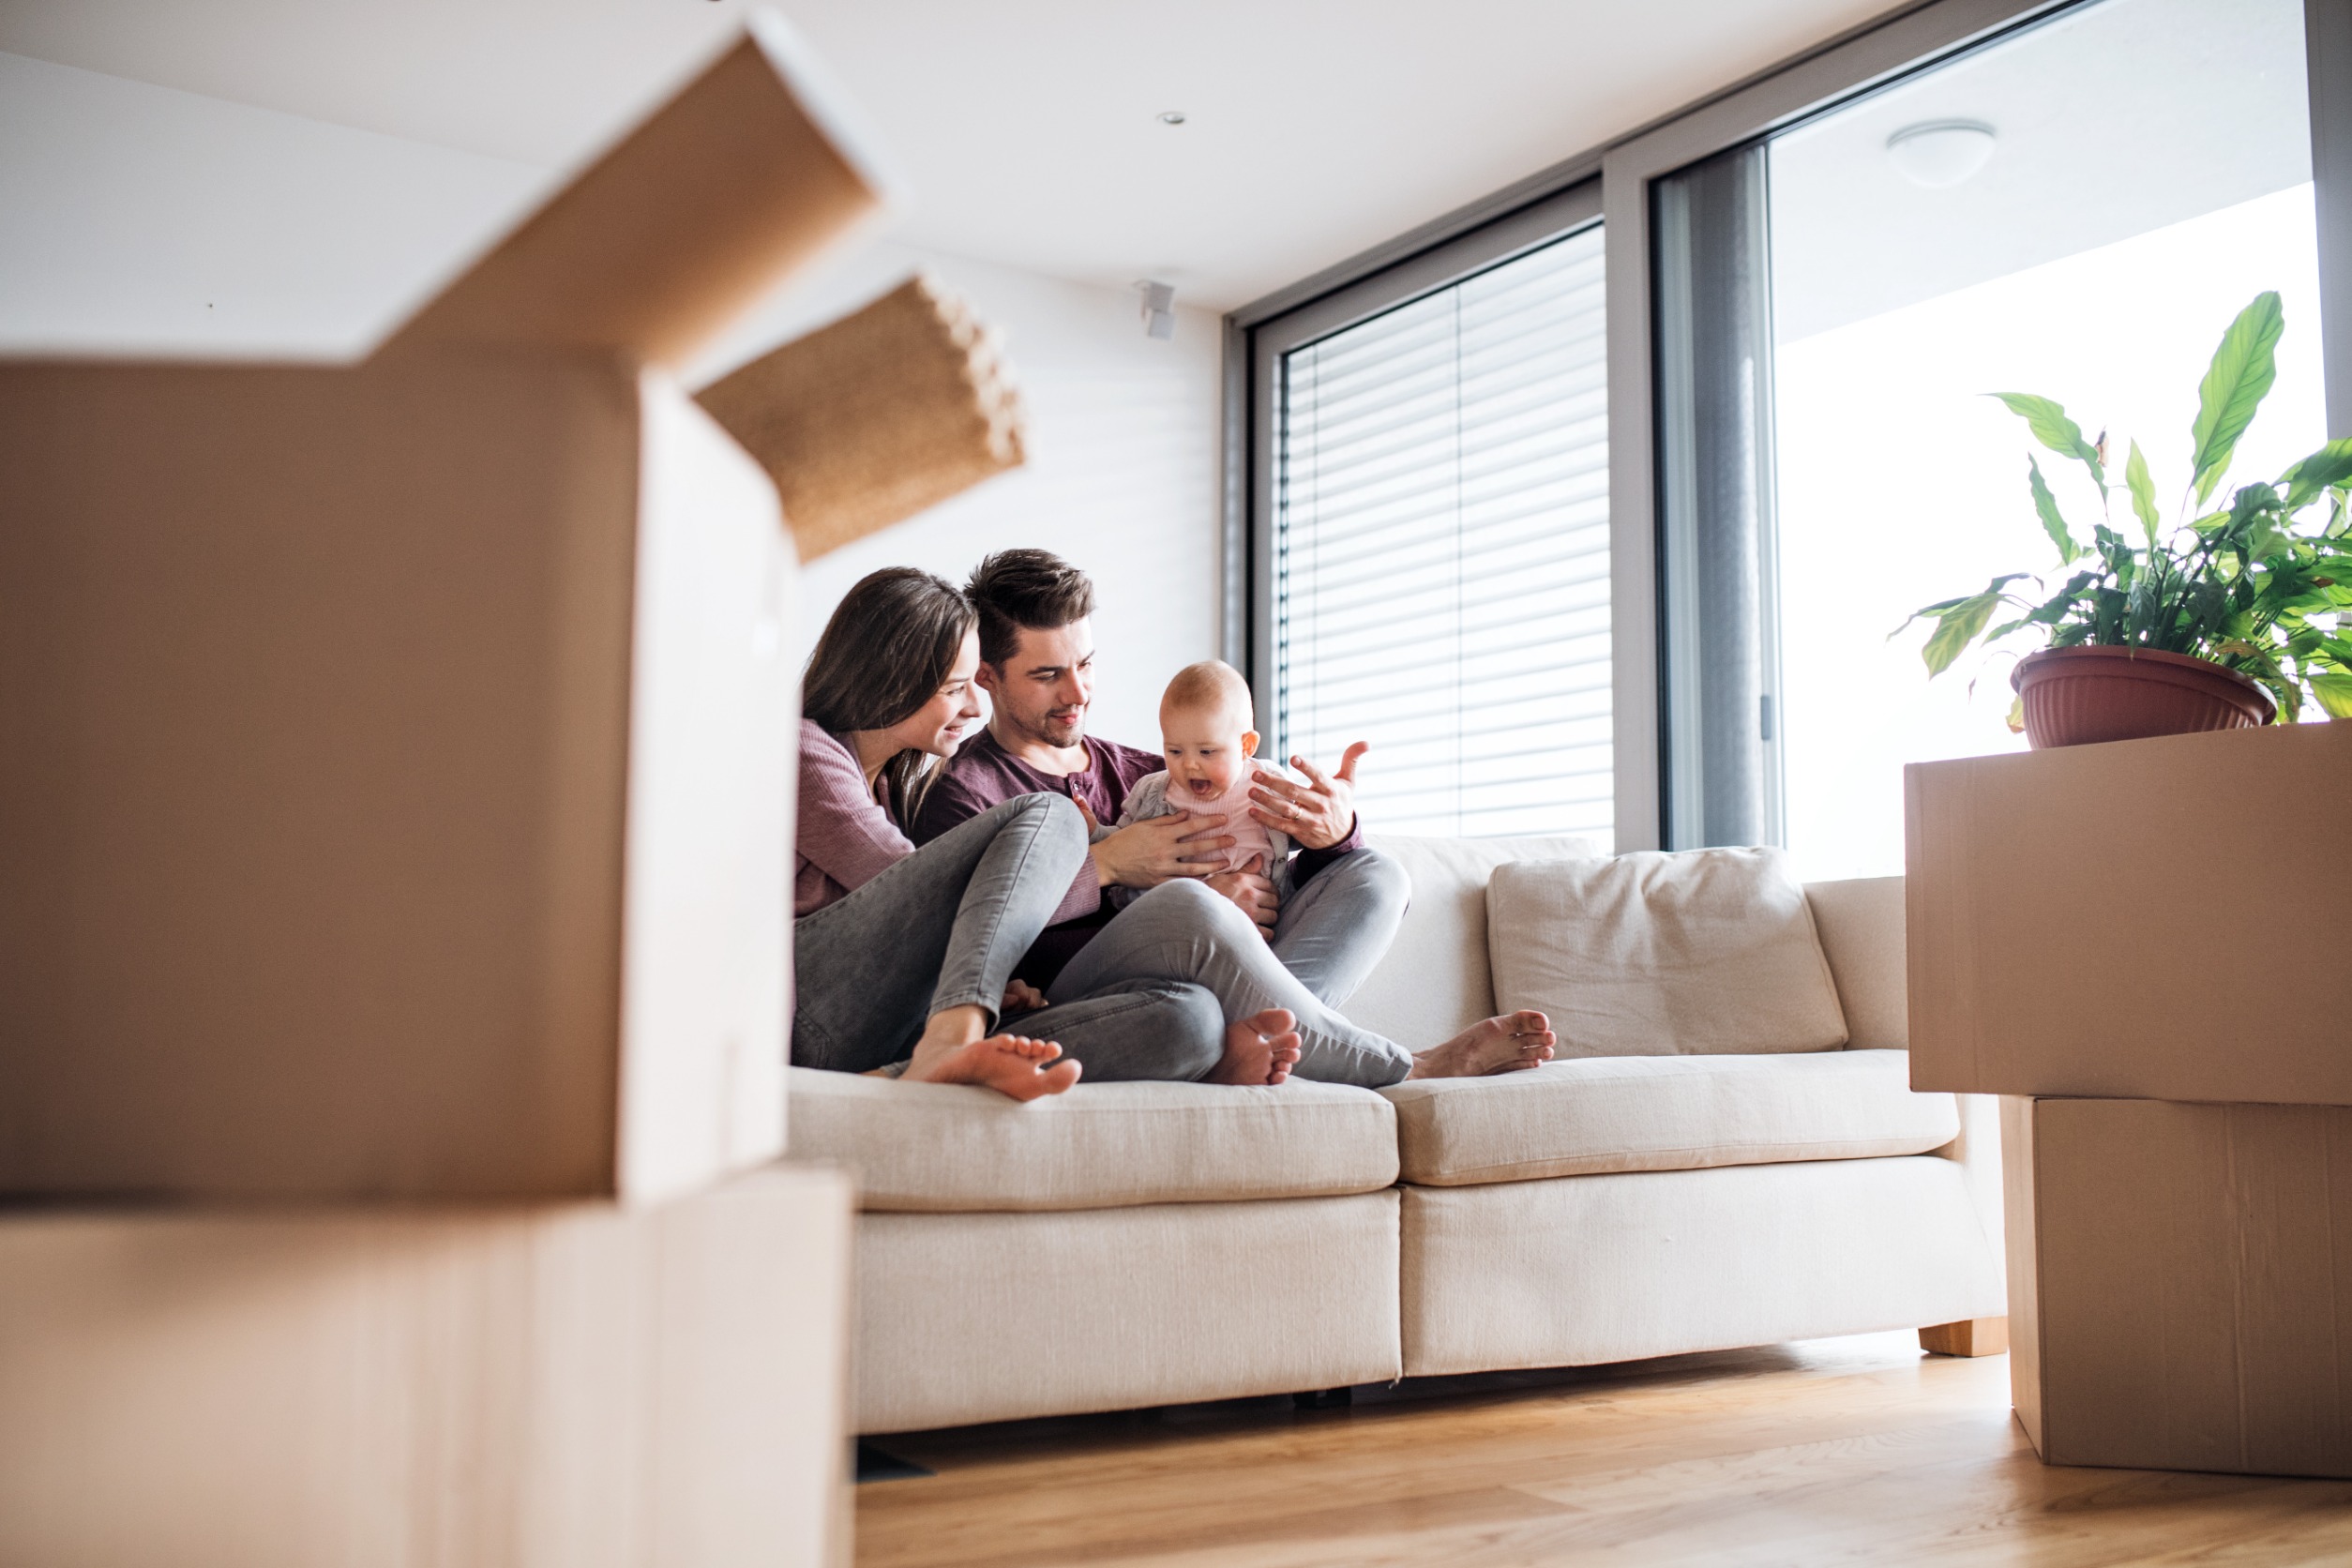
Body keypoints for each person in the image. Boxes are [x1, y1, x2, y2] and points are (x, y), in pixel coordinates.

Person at [912, 550, 1556, 1088]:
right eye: (1049, 674)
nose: (1079, 693)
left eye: (1085, 665)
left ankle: (1258, 1042)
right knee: (1191, 922)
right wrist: (1113, 874)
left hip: (1212, 979)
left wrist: (1332, 834)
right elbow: (972, 941)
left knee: (1375, 876)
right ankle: (1408, 1066)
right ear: (989, 678)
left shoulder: (1155, 767)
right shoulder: (965, 795)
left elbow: (1279, 844)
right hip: (1095, 995)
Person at [792, 567, 1303, 1096]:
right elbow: (916, 893)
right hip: (815, 1021)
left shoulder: (893, 785)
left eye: (1085, 664)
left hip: (888, 1027)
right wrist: (1107, 865)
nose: (972, 706)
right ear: (889, 682)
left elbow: (924, 932)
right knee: (1050, 814)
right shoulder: (805, 751)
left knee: (1190, 1020)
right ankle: (950, 1038)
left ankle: (920, 1064)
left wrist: (1331, 831)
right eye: (955, 688)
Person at [1108, 658, 1290, 903]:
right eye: (1175, 751)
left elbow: (1304, 830)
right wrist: (1095, 833)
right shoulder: (1155, 792)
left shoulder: (1267, 784)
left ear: (1246, 746)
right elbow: (1122, 843)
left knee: (1357, 869)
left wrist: (1330, 817)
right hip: (1179, 915)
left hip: (1264, 909)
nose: (1189, 765)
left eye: (1206, 752)